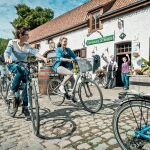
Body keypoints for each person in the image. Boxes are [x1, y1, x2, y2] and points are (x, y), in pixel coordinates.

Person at [4, 25, 48, 117]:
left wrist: (43, 58)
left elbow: (35, 52)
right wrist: (7, 58)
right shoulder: (12, 42)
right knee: (21, 70)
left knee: (28, 83)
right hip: (13, 65)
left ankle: (25, 106)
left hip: (23, 66)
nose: (29, 36)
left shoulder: (27, 45)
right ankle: (11, 92)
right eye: (27, 35)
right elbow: (7, 52)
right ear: (21, 35)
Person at [52, 37, 79, 102]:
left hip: (66, 68)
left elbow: (75, 56)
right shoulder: (58, 49)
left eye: (66, 41)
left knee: (73, 81)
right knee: (70, 73)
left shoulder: (68, 49)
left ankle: (73, 96)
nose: (65, 43)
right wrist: (67, 59)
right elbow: (59, 58)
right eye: (64, 41)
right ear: (61, 42)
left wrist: (82, 59)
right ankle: (61, 86)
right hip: (58, 67)